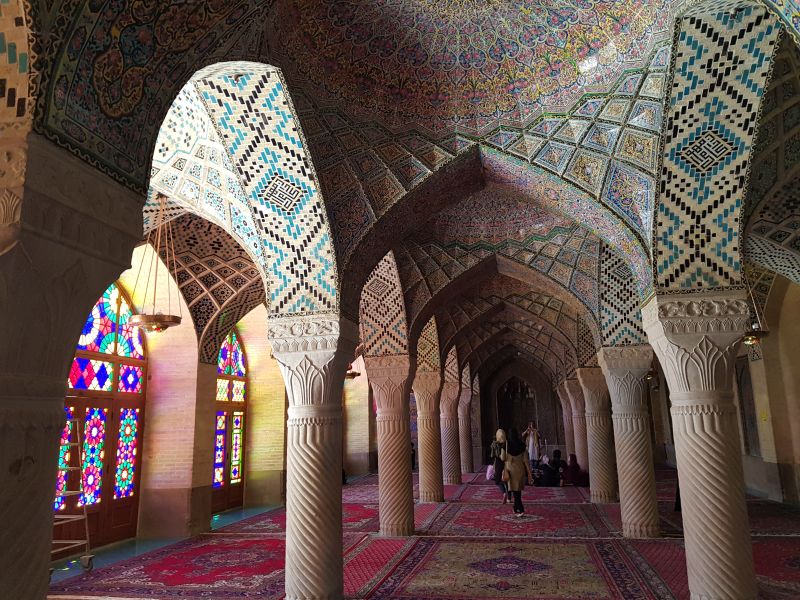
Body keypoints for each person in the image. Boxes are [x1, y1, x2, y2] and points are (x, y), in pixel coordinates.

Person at [504, 428, 533, 516]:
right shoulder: (522, 445)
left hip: (510, 469)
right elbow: (525, 461)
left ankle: (520, 509)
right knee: (517, 490)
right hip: (520, 470)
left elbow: (503, 458)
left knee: (514, 490)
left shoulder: (507, 445)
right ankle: (516, 507)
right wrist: (529, 472)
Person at [489, 429, 509, 503]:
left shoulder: (494, 444)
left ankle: (504, 493)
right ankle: (509, 497)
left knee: (497, 480)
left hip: (498, 463)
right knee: (506, 478)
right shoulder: (507, 443)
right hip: (507, 462)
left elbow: (492, 455)